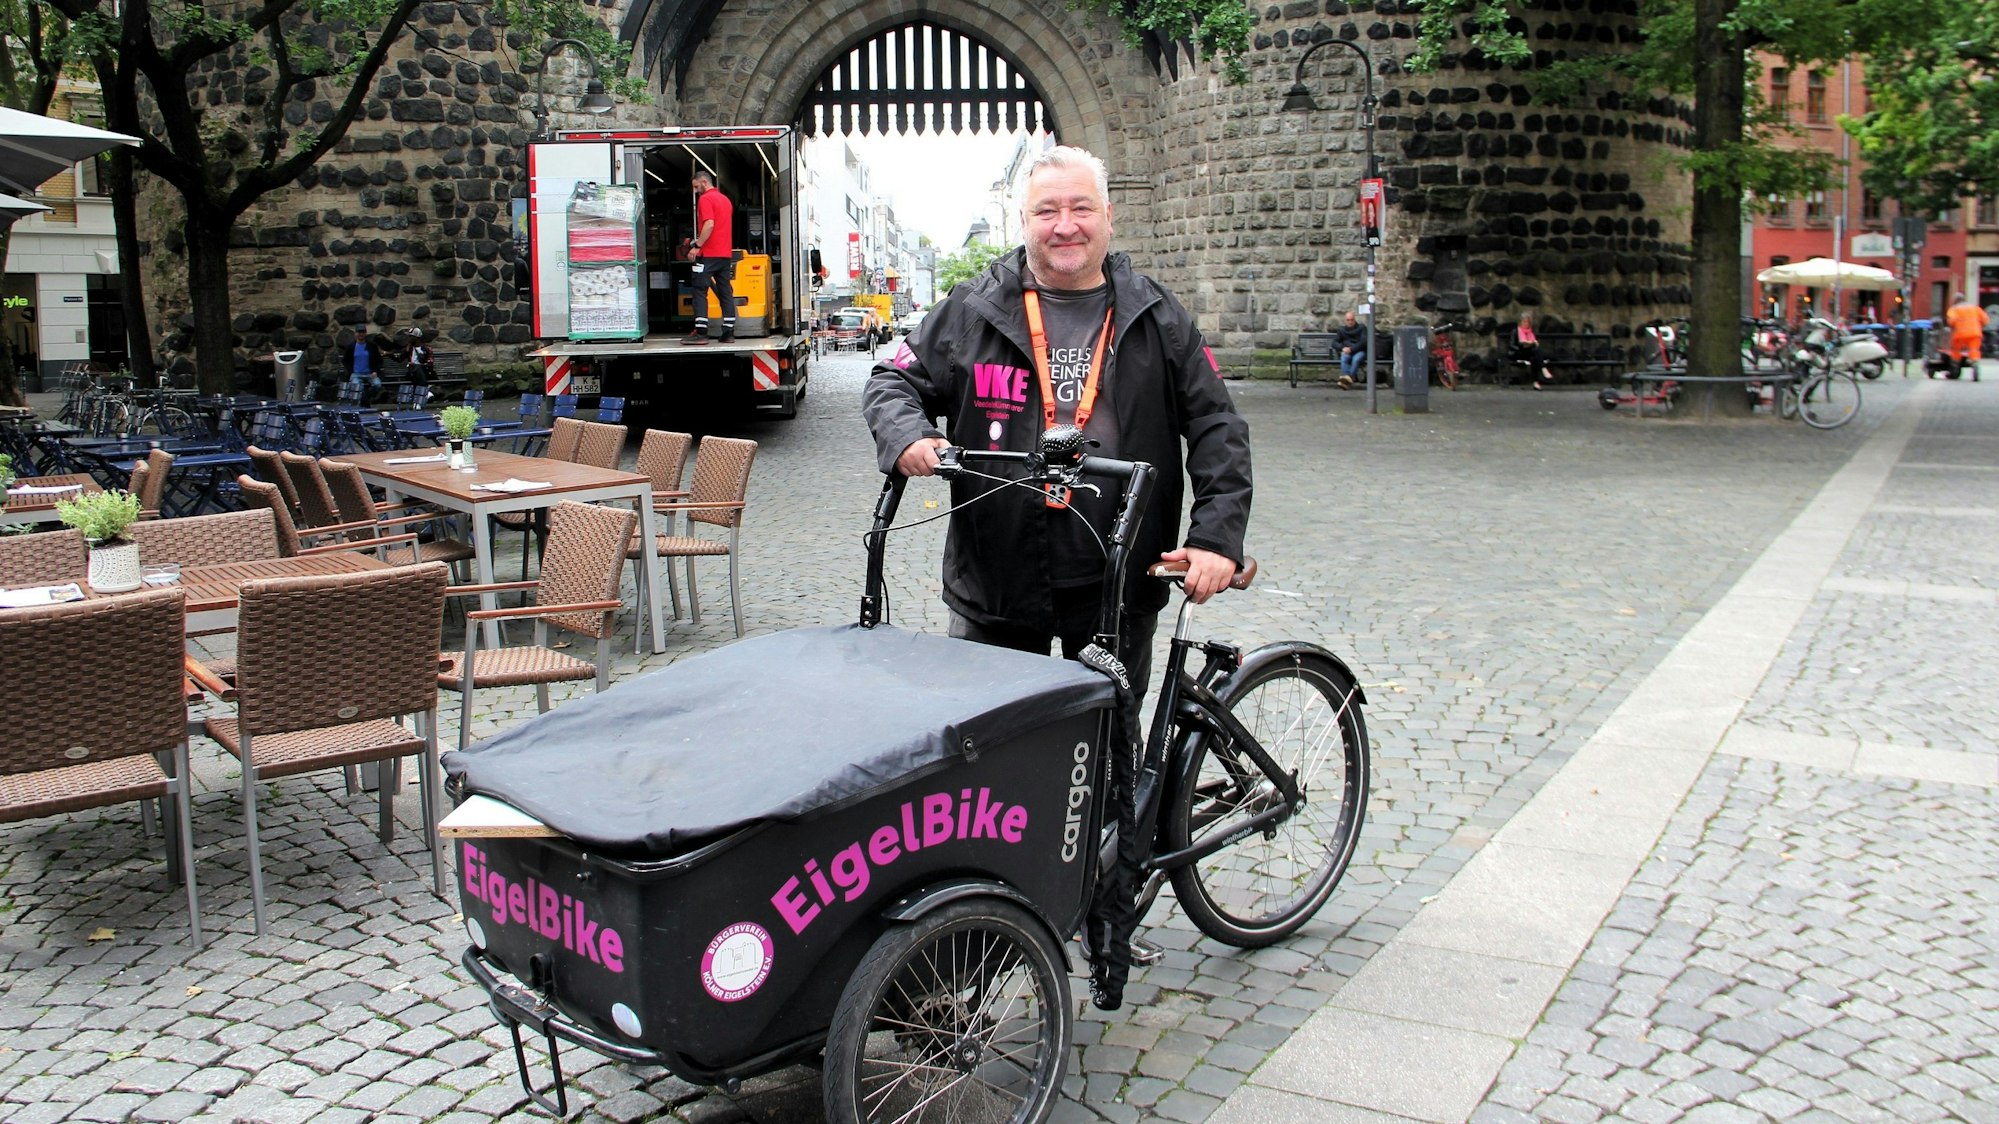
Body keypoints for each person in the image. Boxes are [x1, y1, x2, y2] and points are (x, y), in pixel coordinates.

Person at [862, 144, 1251, 724]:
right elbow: (891, 382)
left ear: (1108, 216)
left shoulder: (1157, 314)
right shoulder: (974, 308)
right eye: (1047, 211)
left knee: (1103, 761)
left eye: (1081, 208)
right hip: (995, 580)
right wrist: (908, 437)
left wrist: (1216, 538)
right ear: (1024, 222)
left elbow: (1217, 423)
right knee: (984, 758)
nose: (1065, 226)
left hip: (1116, 580)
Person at [685, 169, 737, 344]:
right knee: (725, 292)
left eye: (696, 186)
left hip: (708, 255)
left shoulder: (705, 199)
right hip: (724, 255)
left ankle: (701, 333)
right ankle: (728, 332)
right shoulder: (725, 200)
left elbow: (709, 224)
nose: (696, 190)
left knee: (700, 290)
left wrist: (697, 245)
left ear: (704, 182)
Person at [1941, 293, 1988, 380]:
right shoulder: (1975, 308)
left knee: (1956, 351)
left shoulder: (1954, 309)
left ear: (1955, 301)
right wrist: (1979, 326)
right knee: (1974, 351)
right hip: (1975, 333)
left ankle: (1954, 371)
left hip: (1960, 334)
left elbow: (1951, 321)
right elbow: (1985, 319)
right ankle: (1975, 367)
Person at [1512, 311, 1556, 390]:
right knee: (1536, 352)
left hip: (1530, 352)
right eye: (1524, 322)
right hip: (1519, 352)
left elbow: (1534, 342)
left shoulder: (1530, 332)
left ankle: (1536, 383)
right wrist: (1525, 344)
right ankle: (1544, 369)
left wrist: (1533, 343)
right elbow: (1514, 345)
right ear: (1520, 322)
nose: (1526, 324)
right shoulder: (1516, 331)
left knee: (1535, 357)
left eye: (1527, 322)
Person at [340, 326, 383, 402]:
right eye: (359, 332)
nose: (361, 334)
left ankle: (366, 397)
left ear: (365, 334)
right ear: (355, 334)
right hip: (356, 374)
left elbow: (379, 360)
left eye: (363, 332)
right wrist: (351, 372)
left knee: (377, 385)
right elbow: (345, 360)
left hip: (370, 374)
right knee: (357, 386)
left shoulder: (372, 346)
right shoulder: (351, 347)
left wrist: (375, 371)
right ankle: (365, 402)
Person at [1331, 310, 1367, 387]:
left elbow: (1363, 342)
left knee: (1356, 359)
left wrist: (1352, 349)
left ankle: (1346, 381)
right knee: (1344, 358)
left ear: (1355, 319)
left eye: (1352, 320)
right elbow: (1334, 343)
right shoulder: (1341, 330)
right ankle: (1349, 379)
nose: (1350, 322)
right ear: (1345, 321)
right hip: (1347, 351)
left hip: (1359, 351)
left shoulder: (1362, 328)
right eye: (1348, 320)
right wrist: (1342, 348)